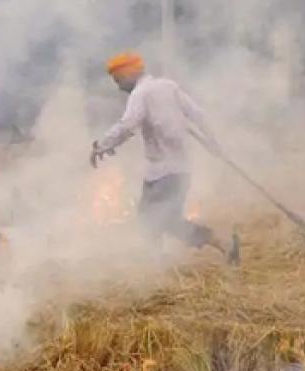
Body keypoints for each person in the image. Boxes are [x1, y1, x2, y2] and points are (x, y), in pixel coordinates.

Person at [90, 51, 239, 265]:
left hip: (169, 172)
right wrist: (212, 142)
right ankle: (156, 262)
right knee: (147, 219)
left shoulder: (141, 94)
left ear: (129, 74)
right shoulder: (169, 87)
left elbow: (128, 125)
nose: (119, 86)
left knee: (164, 221)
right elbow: (198, 115)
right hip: (163, 170)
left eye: (119, 80)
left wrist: (102, 145)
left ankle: (223, 244)